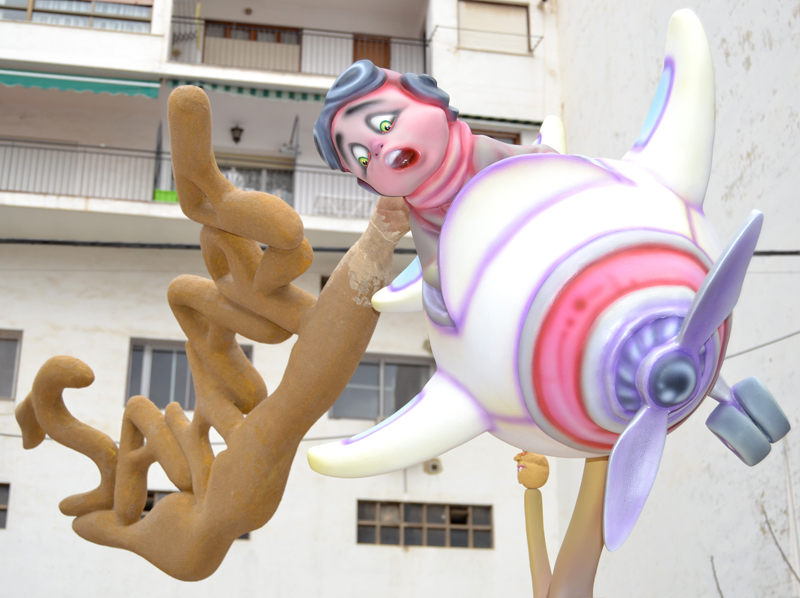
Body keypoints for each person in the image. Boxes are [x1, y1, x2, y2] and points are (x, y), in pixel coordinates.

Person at [314, 60, 556, 325]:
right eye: (363, 160)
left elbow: (540, 160)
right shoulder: (424, 216)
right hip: (502, 283)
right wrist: (456, 271)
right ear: (369, 185)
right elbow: (433, 268)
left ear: (427, 99)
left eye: (385, 125)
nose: (377, 148)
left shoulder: (481, 153)